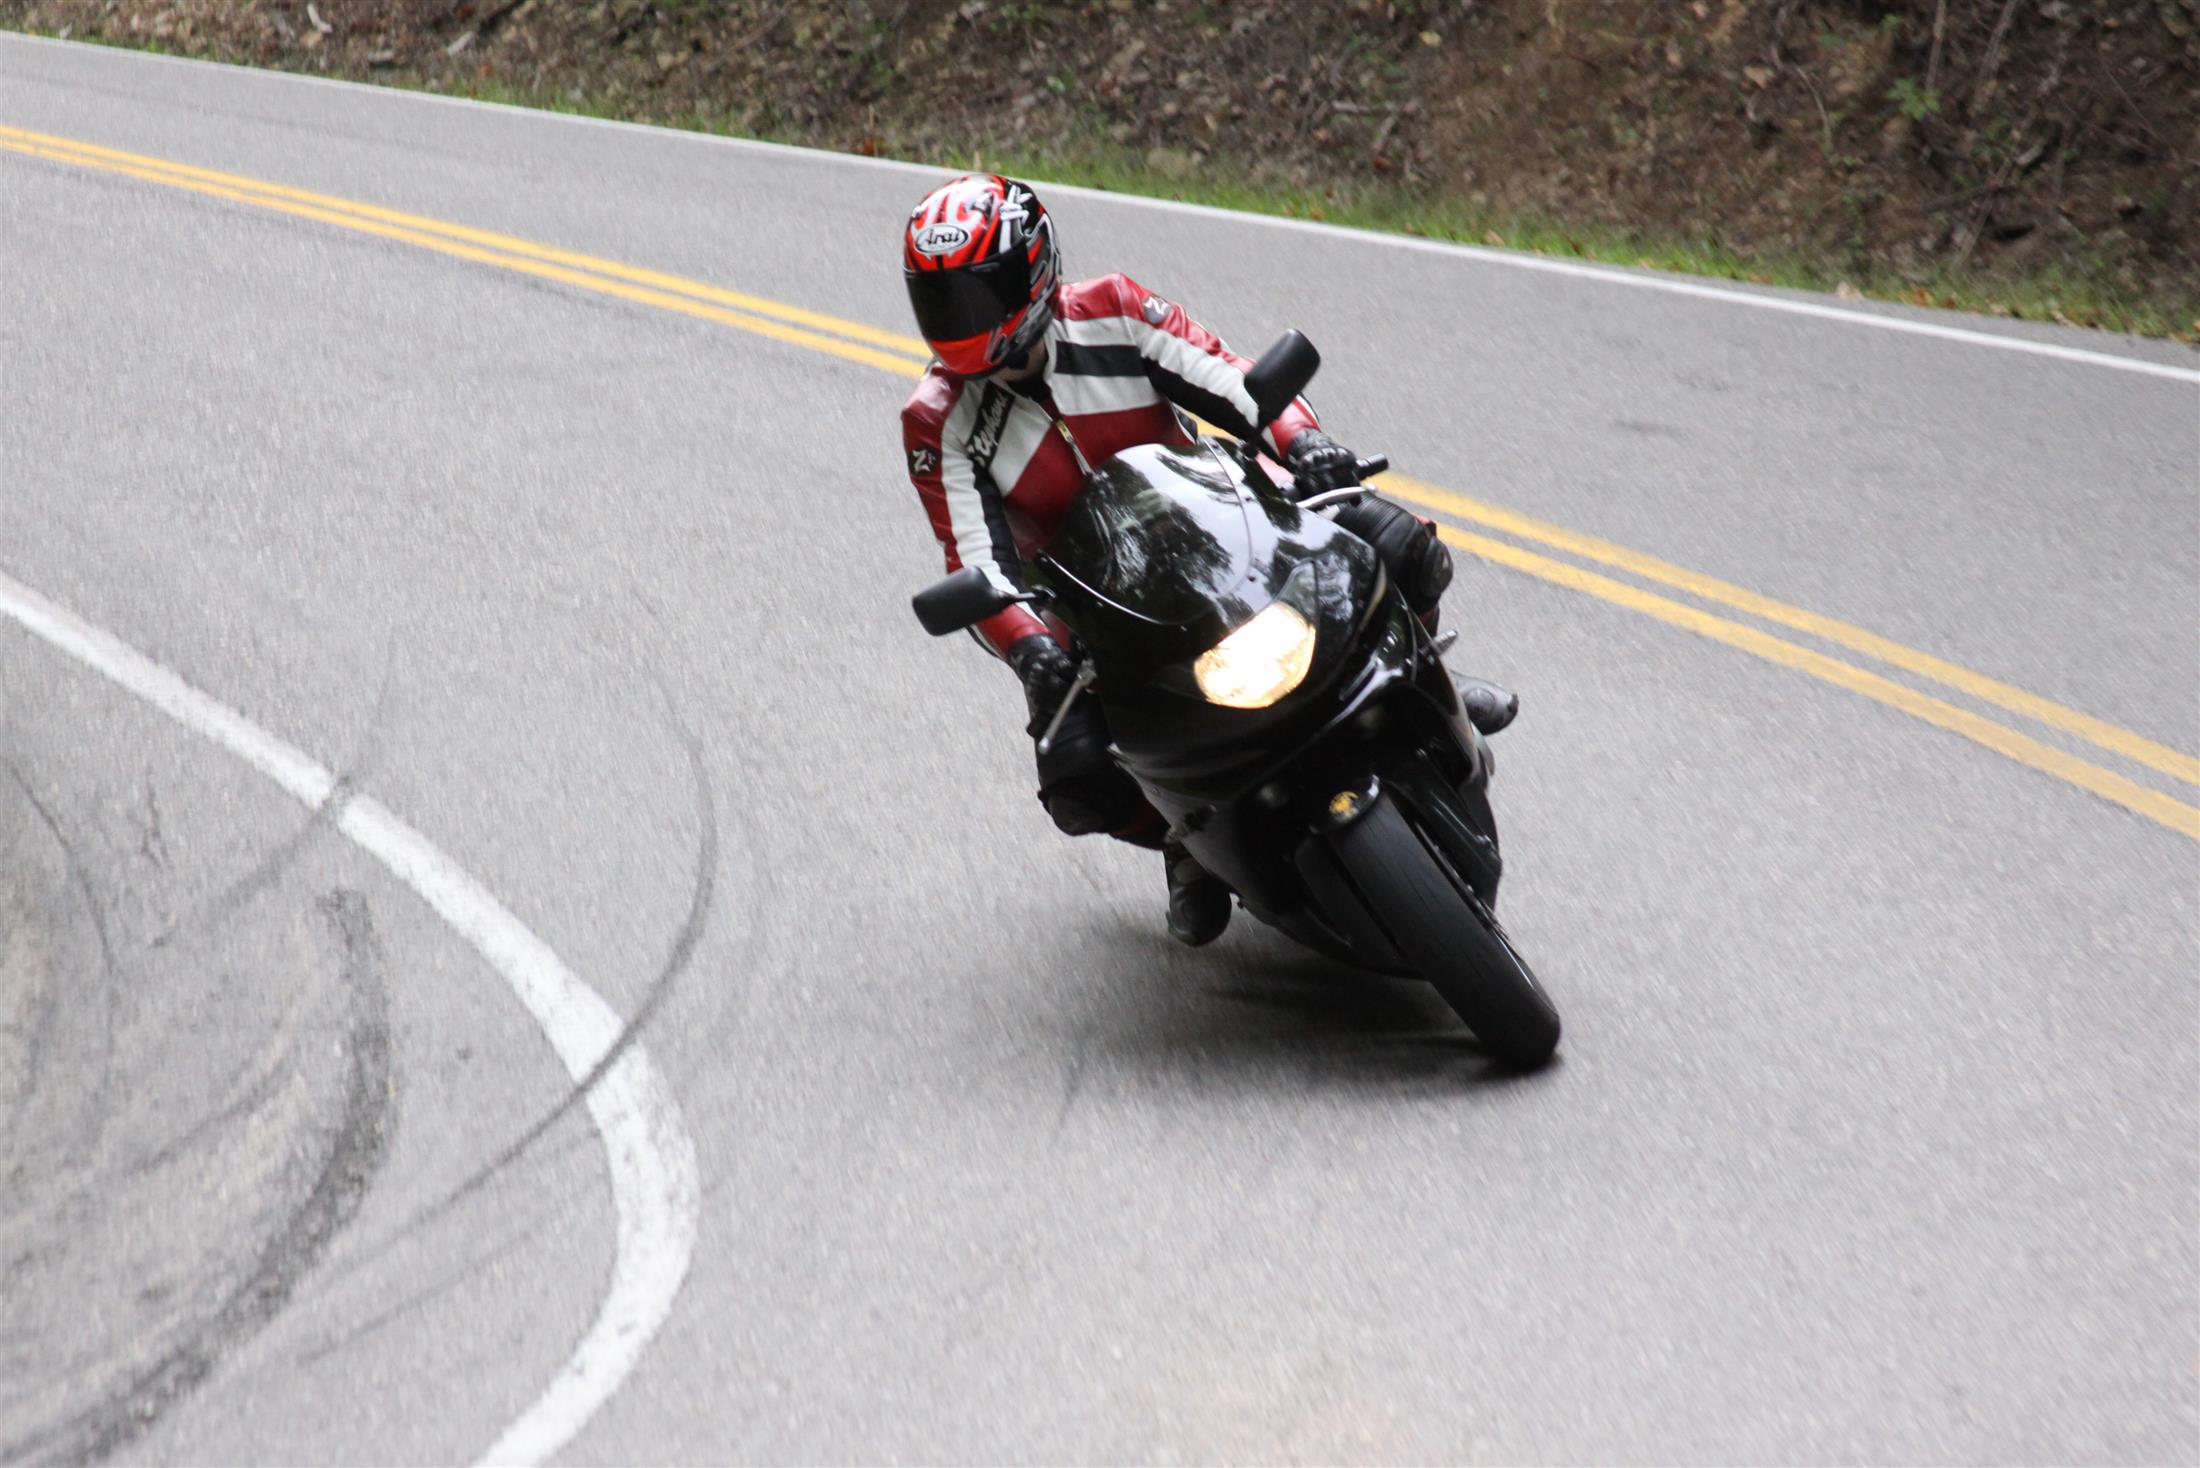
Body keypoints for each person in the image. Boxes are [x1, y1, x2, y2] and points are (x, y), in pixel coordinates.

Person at [900, 174, 1516, 946]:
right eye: (939, 301)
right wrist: (1029, 650)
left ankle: (1428, 673)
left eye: (975, 296)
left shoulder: (1113, 310)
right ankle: (1183, 841)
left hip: (1222, 517)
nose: (959, 320)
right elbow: (973, 555)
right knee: (1078, 778)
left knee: (1400, 543)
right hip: (1090, 604)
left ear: (1033, 270)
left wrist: (1305, 443)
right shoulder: (937, 420)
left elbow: (1228, 375)